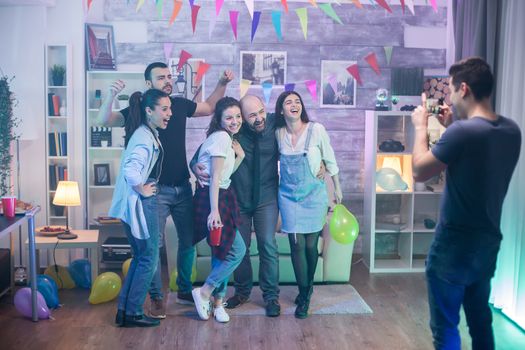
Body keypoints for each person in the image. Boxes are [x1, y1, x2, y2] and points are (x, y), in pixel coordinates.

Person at [98, 62, 233, 317]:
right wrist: (110, 96)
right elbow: (105, 119)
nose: (168, 80)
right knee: (152, 248)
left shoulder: (178, 105)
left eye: (170, 76)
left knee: (188, 240)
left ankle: (183, 290)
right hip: (154, 192)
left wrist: (222, 84)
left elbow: (210, 106)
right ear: (149, 84)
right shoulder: (141, 111)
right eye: (161, 77)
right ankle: (156, 298)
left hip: (182, 187)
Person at [411, 57, 521, 349]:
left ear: (463, 89)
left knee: (445, 328)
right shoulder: (511, 131)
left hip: (453, 245)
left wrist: (421, 127)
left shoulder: (462, 133)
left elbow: (419, 170)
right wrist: (452, 127)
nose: (447, 96)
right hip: (486, 243)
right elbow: (474, 161)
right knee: (480, 322)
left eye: (449, 89)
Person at [193, 95, 281, 316]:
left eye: (261, 112)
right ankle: (242, 292)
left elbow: (299, 135)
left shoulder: (273, 125)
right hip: (237, 199)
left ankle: (271, 297)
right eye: (251, 115)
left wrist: (321, 164)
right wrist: (195, 166)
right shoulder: (230, 131)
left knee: (268, 246)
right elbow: (199, 157)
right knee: (240, 249)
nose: (258, 118)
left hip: (266, 199)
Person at [274, 91, 343, 319]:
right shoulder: (278, 134)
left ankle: (307, 289)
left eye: (297, 101)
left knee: (311, 246)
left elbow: (329, 157)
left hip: (314, 194)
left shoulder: (316, 130)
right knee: (296, 246)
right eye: (288, 102)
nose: (294, 105)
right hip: (288, 196)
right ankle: (304, 295)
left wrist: (337, 187)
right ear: (281, 109)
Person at [110, 89, 171, 328]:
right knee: (149, 258)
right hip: (141, 204)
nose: (169, 114)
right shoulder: (144, 137)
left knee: (140, 257)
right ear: (149, 111)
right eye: (164, 109)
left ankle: (124, 312)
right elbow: (131, 171)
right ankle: (133, 312)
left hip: (131, 204)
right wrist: (143, 189)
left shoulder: (143, 133)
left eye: (170, 109)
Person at [191, 97, 246, 323]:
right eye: (229, 117)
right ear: (220, 119)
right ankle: (204, 291)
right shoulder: (222, 138)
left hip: (222, 196)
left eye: (237, 116)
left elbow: (224, 175)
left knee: (221, 252)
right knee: (236, 251)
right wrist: (214, 212)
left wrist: (240, 156)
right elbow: (214, 179)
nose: (235, 121)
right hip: (214, 199)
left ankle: (217, 303)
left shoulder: (224, 138)